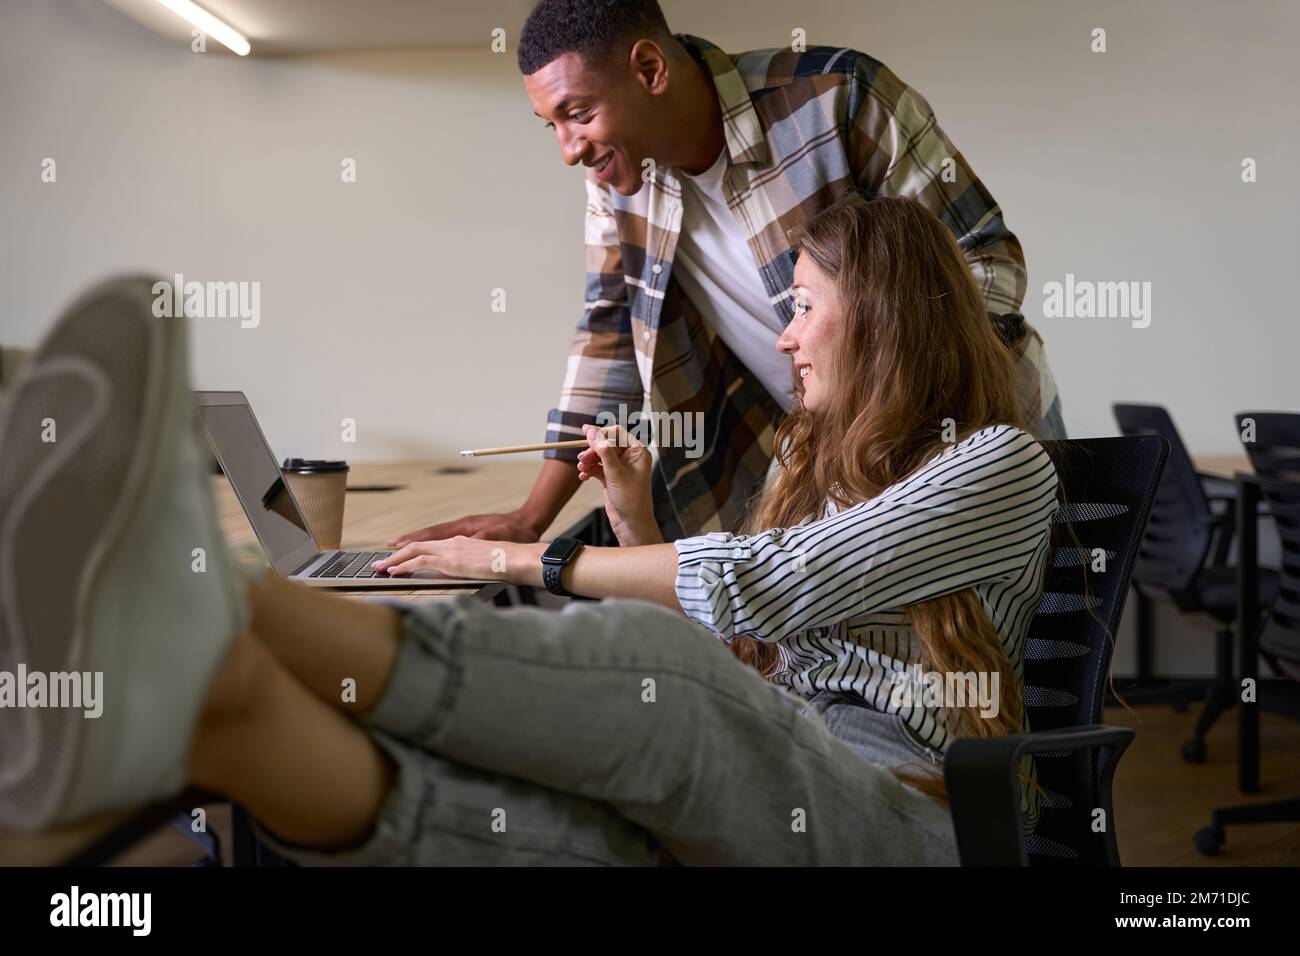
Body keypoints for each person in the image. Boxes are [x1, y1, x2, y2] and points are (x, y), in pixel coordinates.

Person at [0, 196, 1057, 865]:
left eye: (804, 304)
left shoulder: (997, 464)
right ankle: (216, 711)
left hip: (914, 815)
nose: (782, 333)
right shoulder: (809, 455)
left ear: (881, 314)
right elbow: (754, 647)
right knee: (561, 830)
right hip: (789, 765)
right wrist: (635, 516)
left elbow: (766, 582)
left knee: (666, 694)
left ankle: (224, 607)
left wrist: (516, 553)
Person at [391, 0, 1063, 550]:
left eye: (579, 114)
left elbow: (988, 261)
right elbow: (610, 337)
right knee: (855, 670)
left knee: (1014, 659)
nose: (569, 150)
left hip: (972, 425)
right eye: (552, 127)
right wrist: (529, 518)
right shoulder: (619, 184)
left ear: (650, 68)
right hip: (832, 456)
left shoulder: (839, 97)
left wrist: (884, 392)